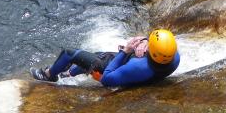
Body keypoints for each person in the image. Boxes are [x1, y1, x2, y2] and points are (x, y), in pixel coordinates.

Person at [30, 29, 180, 87]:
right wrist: (146, 40)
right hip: (133, 67)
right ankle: (68, 73)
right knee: (98, 55)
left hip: (113, 72)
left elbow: (107, 79)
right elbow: (158, 40)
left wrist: (126, 51)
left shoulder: (138, 66)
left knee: (70, 53)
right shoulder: (173, 56)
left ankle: (48, 75)